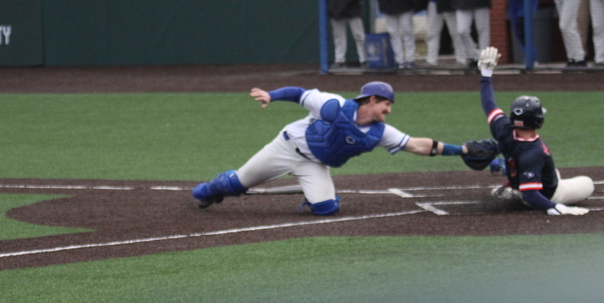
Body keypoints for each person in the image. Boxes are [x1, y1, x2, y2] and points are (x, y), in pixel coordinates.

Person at [192, 82, 474, 214]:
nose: (389, 110)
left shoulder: (380, 132)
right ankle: (210, 190)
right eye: (386, 104)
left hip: (314, 164)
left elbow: (417, 145)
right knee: (234, 185)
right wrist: (271, 96)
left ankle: (315, 193)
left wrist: (461, 150)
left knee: (326, 208)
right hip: (286, 148)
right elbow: (299, 94)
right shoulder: (333, 105)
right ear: (372, 100)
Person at [476, 46, 594, 215]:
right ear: (537, 121)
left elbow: (488, 103)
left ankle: (511, 186)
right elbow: (530, 194)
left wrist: (486, 75)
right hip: (548, 194)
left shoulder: (503, 128)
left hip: (522, 175)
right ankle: (518, 191)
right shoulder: (533, 151)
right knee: (587, 182)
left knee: (547, 171)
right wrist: (557, 207)